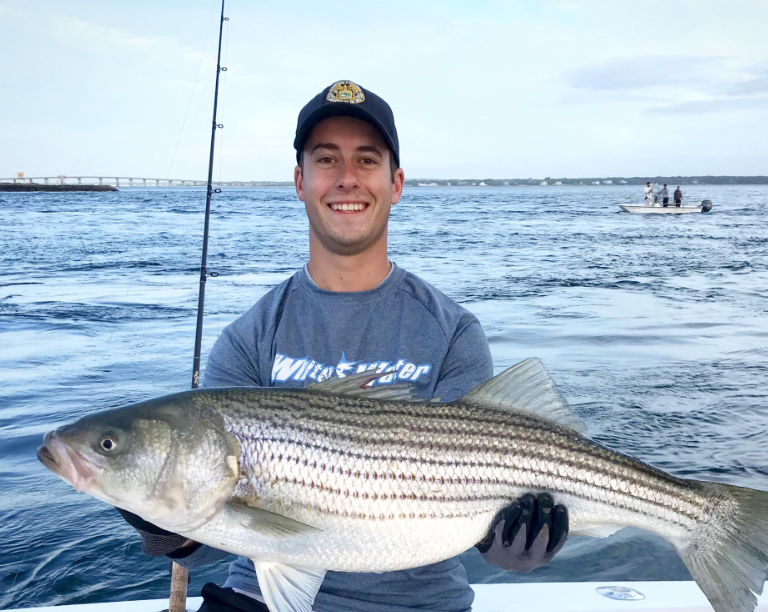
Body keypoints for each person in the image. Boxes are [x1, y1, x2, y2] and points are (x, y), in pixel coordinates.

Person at [118, 80, 569, 612]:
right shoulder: (249, 337)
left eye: (366, 159)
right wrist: (164, 524)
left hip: (418, 604)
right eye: (326, 159)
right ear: (299, 181)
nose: (347, 178)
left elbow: (477, 517)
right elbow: (205, 546)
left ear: (395, 183)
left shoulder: (453, 331)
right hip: (257, 596)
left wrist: (515, 548)